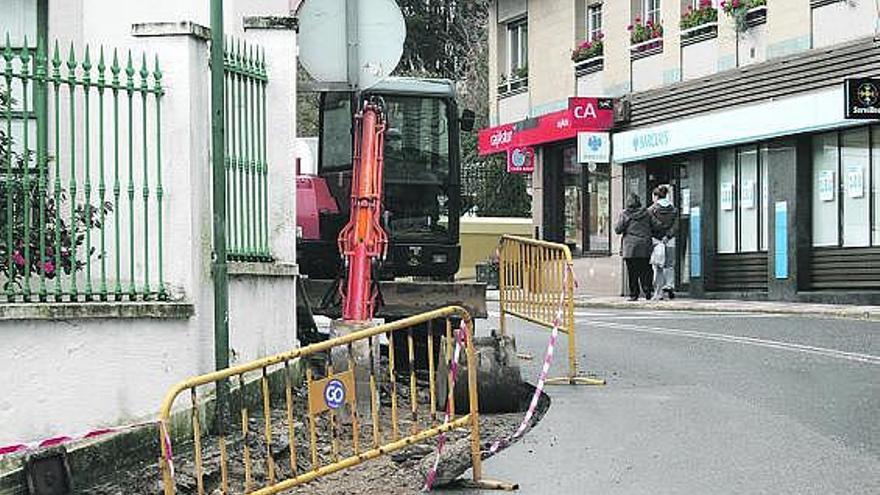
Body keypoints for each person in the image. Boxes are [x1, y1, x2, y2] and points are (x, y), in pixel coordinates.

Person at [615, 193, 654, 301]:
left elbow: (618, 229)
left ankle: (634, 294)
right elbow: (655, 225)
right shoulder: (646, 212)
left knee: (632, 272)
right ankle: (647, 291)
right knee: (645, 269)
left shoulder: (625, 214)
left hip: (630, 247)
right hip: (644, 245)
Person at [649, 185, 678, 300]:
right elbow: (676, 226)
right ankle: (670, 285)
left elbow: (651, 225)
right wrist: (668, 236)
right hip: (670, 241)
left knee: (657, 266)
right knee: (670, 265)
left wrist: (660, 237)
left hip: (656, 241)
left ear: (656, 196)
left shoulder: (651, 210)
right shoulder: (673, 209)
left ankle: (658, 292)